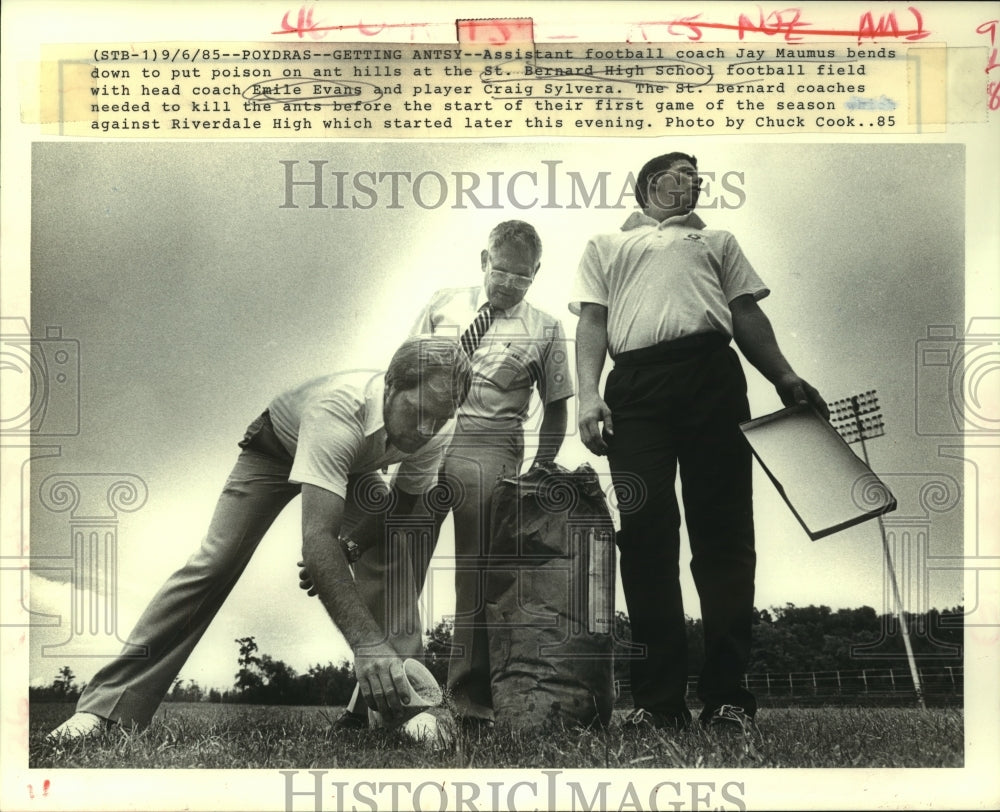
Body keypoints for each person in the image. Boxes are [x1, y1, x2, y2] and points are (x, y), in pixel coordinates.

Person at [47, 336, 472, 741]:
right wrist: (365, 643)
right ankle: (105, 708)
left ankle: (398, 709)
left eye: (440, 418)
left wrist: (354, 544)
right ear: (393, 386)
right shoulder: (340, 408)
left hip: (356, 468)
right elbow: (317, 539)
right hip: (274, 451)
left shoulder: (436, 428)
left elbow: (398, 507)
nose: (427, 429)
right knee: (216, 562)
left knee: (394, 546)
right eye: (419, 412)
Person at [570, 152, 828, 739]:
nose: (694, 180)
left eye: (698, 176)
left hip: (712, 375)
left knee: (724, 535)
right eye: (681, 171)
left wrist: (784, 377)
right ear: (648, 184)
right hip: (634, 386)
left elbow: (744, 314)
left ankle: (727, 699)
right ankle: (658, 703)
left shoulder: (717, 240)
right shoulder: (607, 244)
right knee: (644, 532)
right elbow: (591, 322)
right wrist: (589, 397)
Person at [334, 220, 574, 729]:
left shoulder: (547, 328)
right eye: (502, 271)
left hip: (490, 447)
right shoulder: (443, 303)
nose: (509, 284)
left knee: (478, 574)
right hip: (426, 434)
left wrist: (541, 470)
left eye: (523, 278)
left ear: (536, 275)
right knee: (399, 563)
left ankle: (470, 705)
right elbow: (404, 367)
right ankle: (379, 698)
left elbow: (557, 408)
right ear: (484, 260)